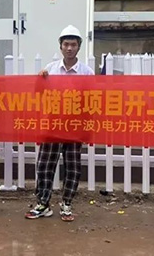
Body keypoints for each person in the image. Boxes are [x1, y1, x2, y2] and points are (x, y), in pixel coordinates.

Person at [25, 25, 94, 222]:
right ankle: (43, 204)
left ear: (79, 47)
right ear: (60, 46)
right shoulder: (50, 69)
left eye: (73, 44)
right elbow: (38, 94)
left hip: (74, 126)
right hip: (53, 125)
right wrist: (40, 80)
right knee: (45, 165)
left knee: (72, 167)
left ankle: (67, 204)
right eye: (66, 44)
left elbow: (92, 100)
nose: (69, 48)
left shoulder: (87, 73)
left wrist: (86, 128)